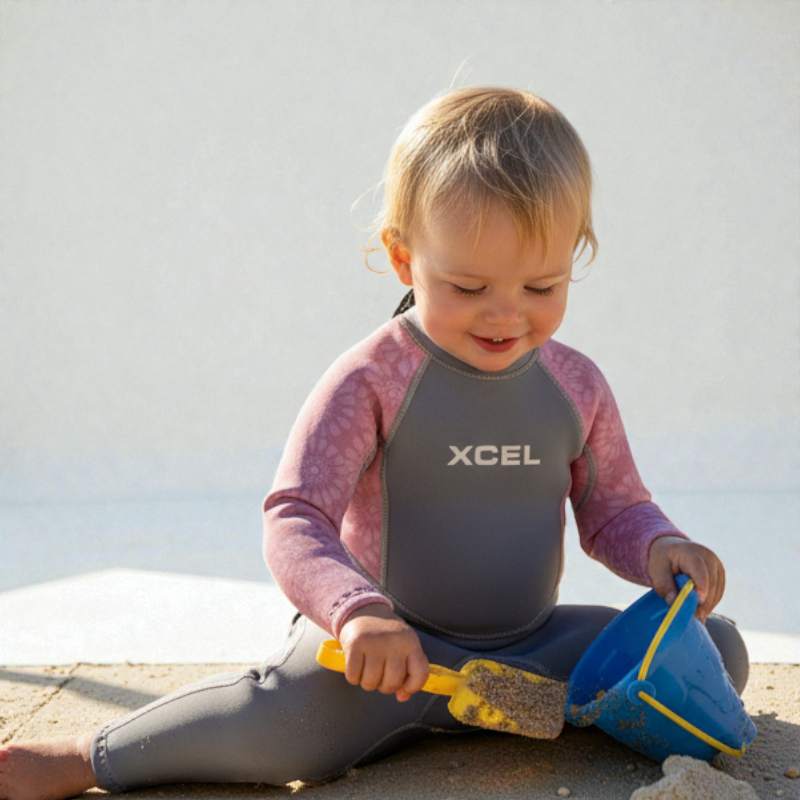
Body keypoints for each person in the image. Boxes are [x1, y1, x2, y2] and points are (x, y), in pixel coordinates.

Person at [0, 87, 749, 799]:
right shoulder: (374, 378)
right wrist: (358, 611)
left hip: (526, 649)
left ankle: (489, 707)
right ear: (402, 258)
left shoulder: (576, 385)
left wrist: (661, 546)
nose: (505, 315)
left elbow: (615, 509)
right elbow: (295, 516)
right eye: (468, 287)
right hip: (390, 657)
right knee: (282, 727)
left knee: (718, 652)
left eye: (541, 287)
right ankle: (89, 756)